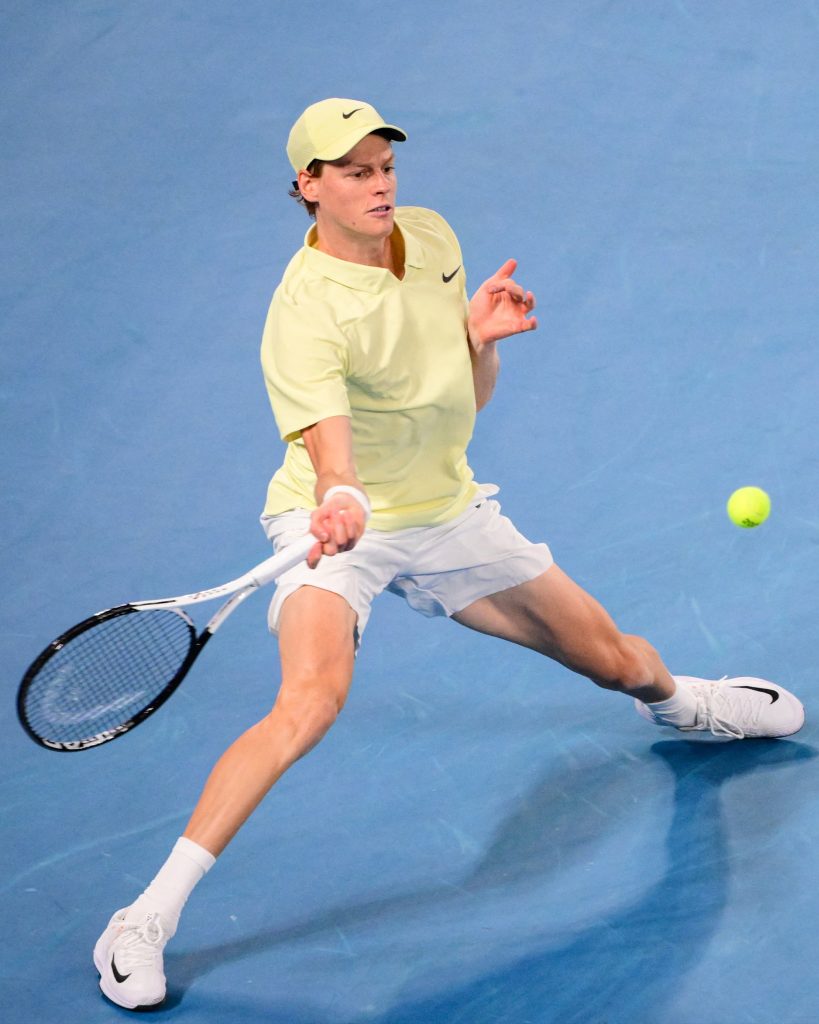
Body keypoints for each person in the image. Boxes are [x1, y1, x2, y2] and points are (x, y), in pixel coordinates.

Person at [93, 98, 805, 1011]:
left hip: (443, 512)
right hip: (332, 525)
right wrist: (342, 499)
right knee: (308, 703)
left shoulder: (429, 237)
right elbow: (331, 453)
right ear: (308, 185)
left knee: (617, 661)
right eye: (355, 171)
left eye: (385, 165)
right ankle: (143, 918)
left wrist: (476, 343)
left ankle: (682, 705)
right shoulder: (303, 314)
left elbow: (458, 405)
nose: (380, 184)